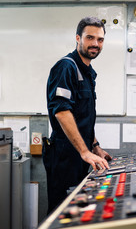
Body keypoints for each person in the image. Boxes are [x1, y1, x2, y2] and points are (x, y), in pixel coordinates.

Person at [43, 17, 112, 214]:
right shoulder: (66, 67)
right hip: (66, 154)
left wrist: (95, 147)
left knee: (77, 211)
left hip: (81, 153)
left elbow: (82, 117)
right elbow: (63, 112)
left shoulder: (89, 72)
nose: (95, 44)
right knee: (62, 211)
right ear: (77, 38)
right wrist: (84, 151)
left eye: (100, 39)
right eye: (90, 37)